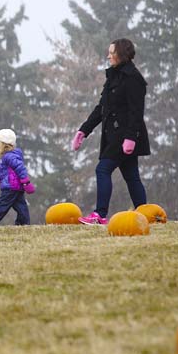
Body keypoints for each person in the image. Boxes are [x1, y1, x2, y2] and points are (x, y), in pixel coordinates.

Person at [72, 38, 149, 225]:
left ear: (121, 54)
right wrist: (83, 130)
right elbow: (102, 108)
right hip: (114, 135)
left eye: (111, 52)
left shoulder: (133, 79)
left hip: (125, 136)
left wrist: (130, 138)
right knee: (132, 176)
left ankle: (100, 215)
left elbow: (136, 112)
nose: (108, 56)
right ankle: (146, 214)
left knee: (103, 169)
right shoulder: (113, 76)